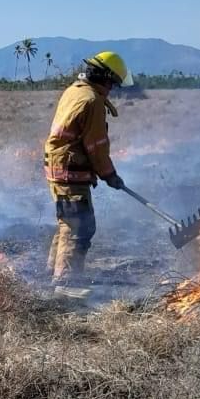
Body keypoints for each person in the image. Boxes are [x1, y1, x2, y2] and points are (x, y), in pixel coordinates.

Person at [43, 50, 132, 285]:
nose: (112, 88)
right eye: (112, 82)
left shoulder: (75, 90)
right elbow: (96, 146)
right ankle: (66, 284)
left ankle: (52, 272)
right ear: (104, 77)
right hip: (70, 169)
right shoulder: (92, 101)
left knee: (68, 221)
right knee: (79, 226)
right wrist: (109, 175)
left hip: (58, 167)